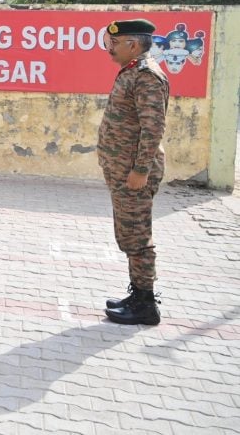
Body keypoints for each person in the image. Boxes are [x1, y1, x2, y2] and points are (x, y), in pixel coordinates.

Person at [98, 18, 169, 325]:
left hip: (133, 174)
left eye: (115, 43)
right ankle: (138, 295)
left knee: (137, 237)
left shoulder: (146, 76)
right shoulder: (131, 72)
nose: (109, 48)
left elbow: (153, 129)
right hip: (123, 171)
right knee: (128, 235)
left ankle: (146, 305)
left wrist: (140, 170)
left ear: (134, 45)